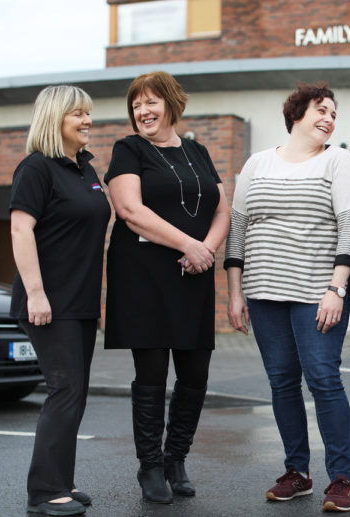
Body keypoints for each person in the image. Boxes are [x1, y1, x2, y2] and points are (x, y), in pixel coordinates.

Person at [225, 83, 350, 513]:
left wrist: (336, 288)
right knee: (282, 382)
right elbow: (238, 227)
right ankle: (297, 473)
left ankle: (340, 478)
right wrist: (235, 293)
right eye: (321, 110)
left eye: (334, 114)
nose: (328, 119)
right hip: (264, 292)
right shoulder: (257, 162)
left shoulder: (337, 160)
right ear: (296, 114)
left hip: (316, 294)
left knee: (323, 379)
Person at [103, 71, 229, 504]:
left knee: (195, 375)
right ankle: (150, 467)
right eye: (136, 105)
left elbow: (222, 210)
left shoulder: (198, 150)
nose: (142, 111)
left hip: (192, 276)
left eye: (151, 101)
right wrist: (190, 245)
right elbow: (129, 210)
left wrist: (206, 251)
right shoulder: (128, 149)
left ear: (172, 104)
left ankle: (176, 459)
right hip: (144, 277)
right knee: (152, 374)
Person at [10, 85, 110, 516]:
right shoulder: (36, 168)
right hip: (49, 302)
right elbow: (20, 230)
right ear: (55, 120)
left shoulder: (85, 169)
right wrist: (35, 292)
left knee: (76, 394)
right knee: (64, 390)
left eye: (88, 114)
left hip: (81, 300)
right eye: (77, 115)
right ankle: (44, 492)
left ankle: (62, 483)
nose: (87, 120)